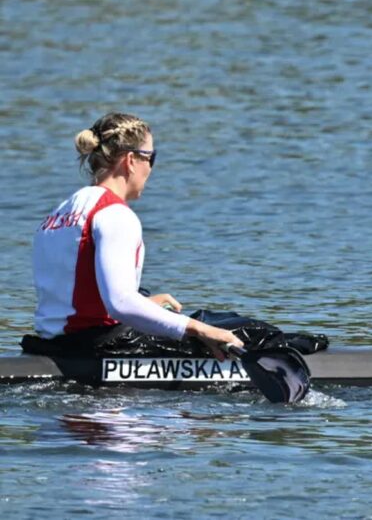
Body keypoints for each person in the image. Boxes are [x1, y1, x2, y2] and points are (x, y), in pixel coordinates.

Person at [31, 112, 244, 359]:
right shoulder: (115, 214)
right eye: (151, 157)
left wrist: (145, 305)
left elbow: (74, 298)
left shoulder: (59, 213)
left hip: (55, 342)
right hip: (100, 346)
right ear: (131, 160)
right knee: (247, 333)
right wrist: (200, 330)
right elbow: (121, 303)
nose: (151, 168)